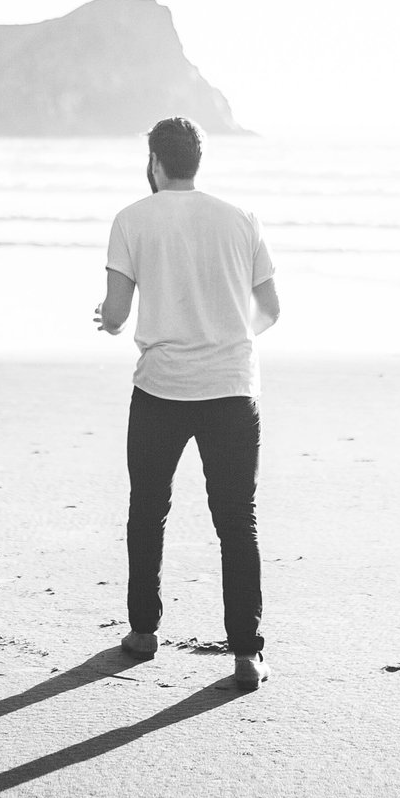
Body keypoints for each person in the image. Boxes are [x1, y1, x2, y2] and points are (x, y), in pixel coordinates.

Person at [95, 117, 280, 690]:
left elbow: (118, 313)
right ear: (198, 161)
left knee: (148, 510)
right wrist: (224, 335)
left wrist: (107, 320)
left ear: (155, 161)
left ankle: (143, 632)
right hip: (230, 386)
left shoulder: (131, 219)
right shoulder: (239, 219)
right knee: (236, 522)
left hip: (161, 389)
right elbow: (271, 309)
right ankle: (247, 654)